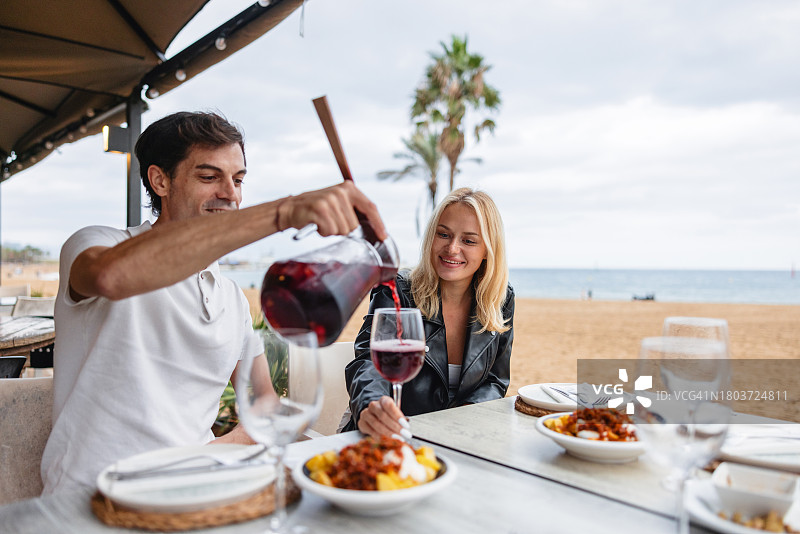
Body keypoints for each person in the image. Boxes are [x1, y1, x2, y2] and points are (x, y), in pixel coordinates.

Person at [40, 111, 387, 493]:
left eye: (237, 180)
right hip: (89, 496)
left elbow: (265, 402)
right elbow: (110, 277)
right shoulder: (99, 244)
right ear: (160, 180)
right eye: (209, 177)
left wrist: (202, 455)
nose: (230, 194)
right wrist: (284, 212)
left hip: (191, 492)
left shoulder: (231, 297)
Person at [342, 188, 514, 438]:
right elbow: (368, 360)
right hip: (387, 433)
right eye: (443, 234)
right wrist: (371, 405)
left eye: (468, 241)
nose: (452, 248)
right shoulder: (396, 289)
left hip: (458, 437)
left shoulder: (501, 299)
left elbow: (496, 381)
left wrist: (464, 418)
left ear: (488, 250)